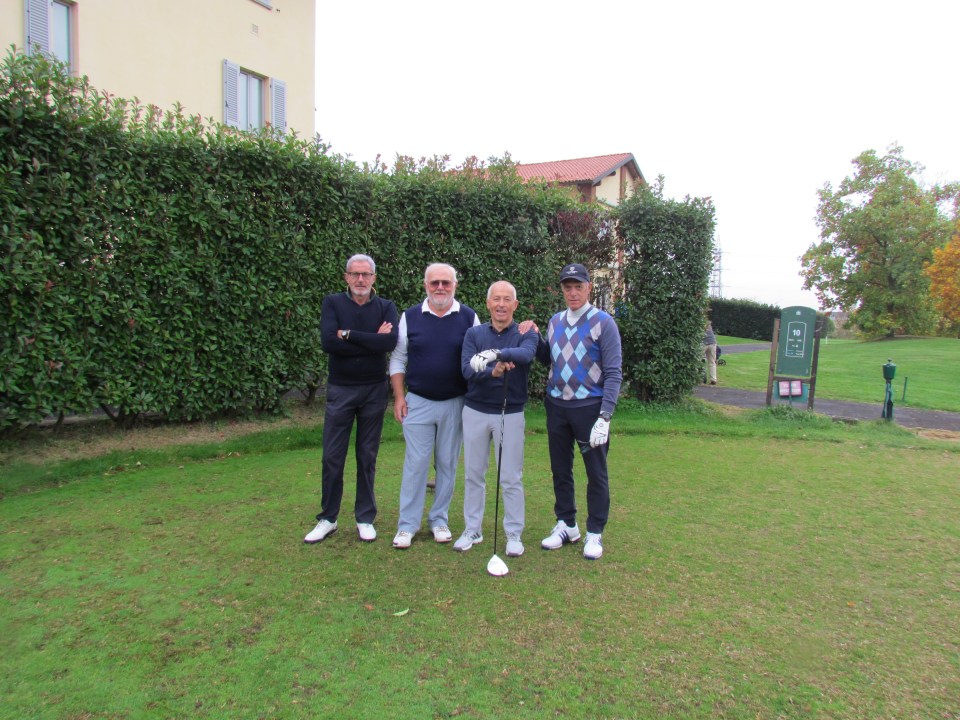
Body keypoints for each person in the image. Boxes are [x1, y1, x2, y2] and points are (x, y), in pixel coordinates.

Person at [304, 254, 399, 544]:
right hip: (341, 389)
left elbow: (388, 342)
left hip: (373, 390)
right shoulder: (332, 303)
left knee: (367, 456)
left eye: (365, 274)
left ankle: (365, 518)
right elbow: (328, 342)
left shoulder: (386, 307)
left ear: (374, 278)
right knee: (332, 456)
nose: (360, 279)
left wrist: (347, 334)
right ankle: (328, 518)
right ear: (346, 277)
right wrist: (371, 339)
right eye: (355, 274)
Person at [390, 263, 480, 549]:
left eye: (446, 282)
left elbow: (478, 359)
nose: (440, 287)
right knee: (415, 465)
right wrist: (399, 397)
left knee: (447, 464)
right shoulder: (410, 316)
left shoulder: (469, 317)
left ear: (455, 285)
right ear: (425, 285)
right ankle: (407, 525)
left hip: (456, 403)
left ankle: (439, 519)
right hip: (418, 402)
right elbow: (398, 359)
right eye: (434, 283)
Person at [536, 263, 622, 560]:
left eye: (578, 287)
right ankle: (567, 524)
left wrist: (605, 416)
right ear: (562, 290)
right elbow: (550, 358)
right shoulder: (555, 321)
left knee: (596, 473)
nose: (573, 292)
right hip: (557, 406)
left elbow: (614, 372)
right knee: (560, 469)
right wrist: (534, 338)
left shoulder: (603, 322)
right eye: (567, 287)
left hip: (589, 408)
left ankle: (594, 532)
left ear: (589, 288)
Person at [455, 281, 540, 556]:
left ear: (515, 305)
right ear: (488, 303)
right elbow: (467, 369)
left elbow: (526, 354)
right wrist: (491, 371)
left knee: (511, 476)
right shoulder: (474, 333)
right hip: (476, 411)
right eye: (496, 299)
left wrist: (495, 354)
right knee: (473, 474)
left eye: (507, 299)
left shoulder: (525, 332)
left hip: (510, 412)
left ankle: (514, 534)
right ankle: (472, 529)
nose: (501, 304)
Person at [703, 320, 718, 385]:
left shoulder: (698, 322)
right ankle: (713, 379)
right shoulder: (708, 323)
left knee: (700, 361)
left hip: (703, 343)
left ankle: (702, 378)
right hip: (712, 343)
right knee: (712, 362)